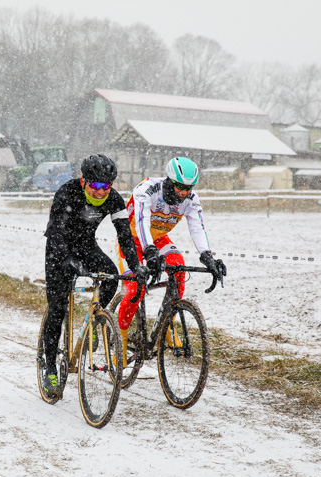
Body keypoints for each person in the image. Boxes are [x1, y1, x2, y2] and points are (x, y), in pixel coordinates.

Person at [41, 154, 149, 394]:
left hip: (86, 246)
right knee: (57, 309)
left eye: (106, 186)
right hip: (59, 250)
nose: (101, 192)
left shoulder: (114, 200)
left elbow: (125, 236)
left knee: (110, 276)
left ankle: (94, 319)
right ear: (84, 181)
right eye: (96, 186)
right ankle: (49, 366)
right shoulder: (67, 192)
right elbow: (56, 234)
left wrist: (135, 266)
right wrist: (69, 262)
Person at [115, 157, 226, 361]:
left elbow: (197, 226)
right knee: (135, 290)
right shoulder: (147, 189)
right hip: (132, 240)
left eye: (188, 188)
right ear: (169, 180)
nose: (183, 192)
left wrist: (207, 256)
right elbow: (141, 221)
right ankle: (119, 342)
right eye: (179, 186)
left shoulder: (191, 199)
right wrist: (149, 251)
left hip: (157, 239)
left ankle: (167, 321)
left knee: (178, 267)